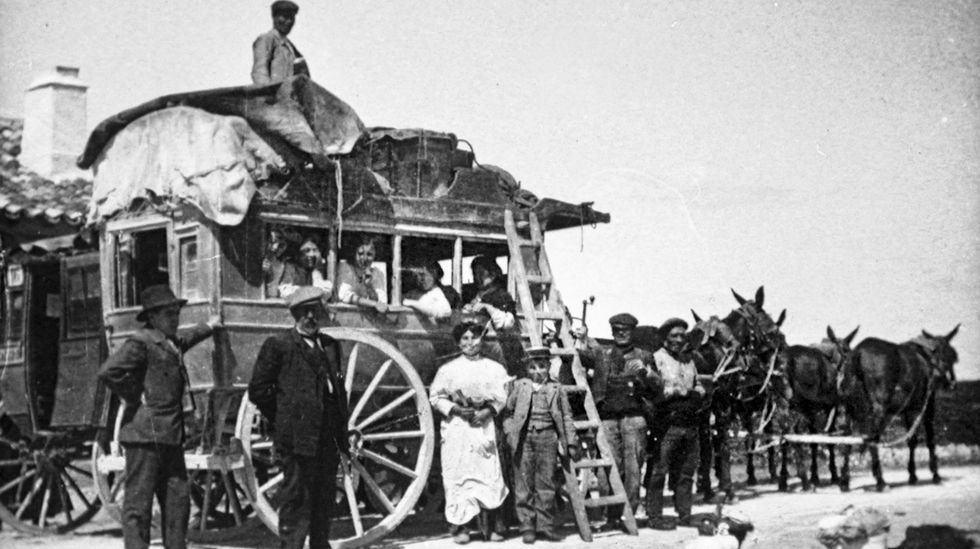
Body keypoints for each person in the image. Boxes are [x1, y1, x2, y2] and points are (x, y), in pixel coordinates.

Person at [97, 285, 217, 549]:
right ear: (152, 317)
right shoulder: (140, 342)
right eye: (168, 314)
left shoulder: (170, 341)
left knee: (178, 502)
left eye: (176, 313)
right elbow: (108, 372)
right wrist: (134, 394)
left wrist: (209, 326)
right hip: (144, 436)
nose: (175, 318)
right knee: (138, 507)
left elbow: (188, 338)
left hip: (171, 436)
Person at [248, 286, 349, 549]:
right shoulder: (279, 346)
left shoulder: (330, 346)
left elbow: (338, 391)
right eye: (305, 312)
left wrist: (342, 435)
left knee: (324, 498)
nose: (311, 317)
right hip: (296, 438)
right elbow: (258, 390)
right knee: (295, 499)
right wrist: (286, 416)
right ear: (295, 315)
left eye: (315, 311)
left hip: (328, 437)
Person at [573, 312, 659, 532]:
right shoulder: (602, 353)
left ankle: (627, 515)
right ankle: (611, 516)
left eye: (625, 330)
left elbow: (658, 388)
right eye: (616, 331)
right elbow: (578, 354)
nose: (621, 334)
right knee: (608, 472)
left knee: (633, 470)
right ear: (612, 332)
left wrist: (646, 373)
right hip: (608, 419)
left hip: (634, 419)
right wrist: (581, 336)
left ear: (632, 332)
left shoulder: (645, 355)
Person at [429, 322, 511, 544]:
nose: (470, 343)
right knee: (458, 474)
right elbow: (436, 397)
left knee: (488, 474)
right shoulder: (448, 370)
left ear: (481, 340)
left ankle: (491, 528)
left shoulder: (494, 368)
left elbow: (503, 396)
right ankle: (460, 528)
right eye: (464, 339)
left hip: (483, 425)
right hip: (458, 427)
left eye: (474, 338)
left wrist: (487, 411)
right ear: (458, 343)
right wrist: (455, 409)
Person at [502, 347, 581, 544]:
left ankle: (545, 526)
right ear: (527, 369)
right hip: (524, 438)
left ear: (548, 366)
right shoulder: (520, 387)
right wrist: (510, 432)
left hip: (548, 437)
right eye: (533, 367)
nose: (538, 371)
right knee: (524, 482)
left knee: (546, 482)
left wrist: (570, 441)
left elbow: (566, 416)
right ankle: (527, 525)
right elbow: (508, 413)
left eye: (542, 366)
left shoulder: (557, 388)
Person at [646, 318, 706, 531]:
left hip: (690, 424)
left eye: (682, 335)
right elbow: (653, 391)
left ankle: (685, 515)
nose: (679, 340)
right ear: (664, 338)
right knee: (659, 471)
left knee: (686, 472)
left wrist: (691, 392)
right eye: (674, 335)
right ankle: (654, 516)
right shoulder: (656, 359)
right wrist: (671, 393)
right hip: (667, 425)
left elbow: (699, 386)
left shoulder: (689, 360)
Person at [461, 255, 523, 376]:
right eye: (475, 273)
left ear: (493, 274)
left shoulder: (501, 295)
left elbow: (507, 322)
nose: (477, 277)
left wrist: (489, 308)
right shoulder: (475, 295)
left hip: (499, 347)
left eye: (481, 273)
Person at [251, 1, 310, 85]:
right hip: (273, 95)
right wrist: (269, 94)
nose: (288, 21)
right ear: (274, 17)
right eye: (285, 17)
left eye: (291, 18)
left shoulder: (291, 48)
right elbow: (260, 73)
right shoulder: (267, 39)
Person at [336, 235, 388, 313]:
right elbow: (344, 295)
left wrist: (369, 286)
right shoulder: (346, 267)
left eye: (369, 254)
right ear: (353, 253)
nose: (364, 259)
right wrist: (372, 304)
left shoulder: (377, 272)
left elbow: (382, 302)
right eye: (360, 254)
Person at [263, 227, 302, 298]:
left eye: (281, 245)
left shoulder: (287, 266)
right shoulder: (261, 259)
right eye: (271, 242)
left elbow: (283, 290)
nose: (274, 247)